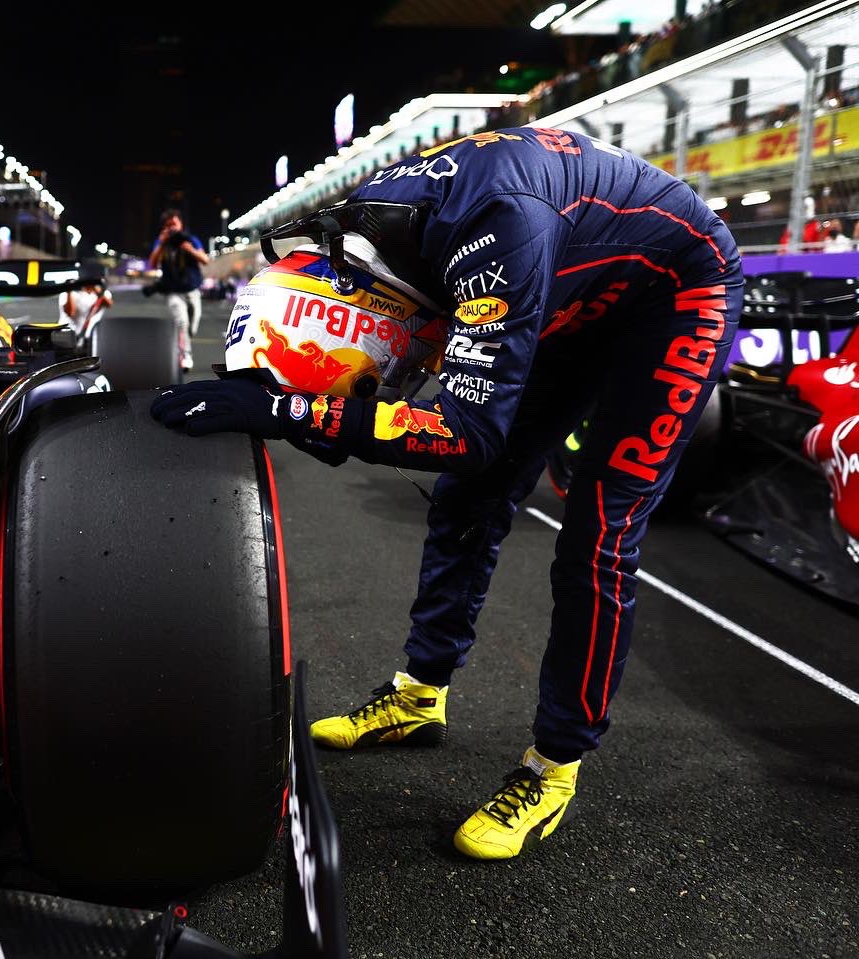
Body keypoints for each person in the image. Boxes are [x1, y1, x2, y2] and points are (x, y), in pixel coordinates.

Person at [151, 127, 743, 860]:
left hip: (676, 294)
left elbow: (468, 431)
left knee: (599, 536)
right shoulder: (363, 218)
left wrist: (293, 411)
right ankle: (418, 696)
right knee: (470, 499)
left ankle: (553, 766)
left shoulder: (495, 236)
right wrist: (283, 394)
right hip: (567, 275)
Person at [146, 209, 210, 370]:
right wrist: (161, 243)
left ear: (180, 224)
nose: (172, 228)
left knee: (192, 326)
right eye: (168, 226)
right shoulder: (162, 243)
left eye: (174, 224)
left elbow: (205, 260)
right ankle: (186, 355)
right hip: (173, 291)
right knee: (182, 322)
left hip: (192, 289)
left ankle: (182, 343)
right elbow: (152, 264)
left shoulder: (190, 240)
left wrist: (189, 249)